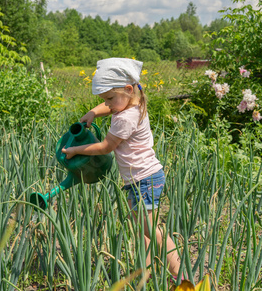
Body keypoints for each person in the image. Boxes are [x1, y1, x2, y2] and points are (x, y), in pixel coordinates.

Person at [61, 58, 182, 282]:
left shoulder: (125, 117)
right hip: (138, 179)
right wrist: (93, 113)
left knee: (151, 229)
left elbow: (105, 147)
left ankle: (183, 277)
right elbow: (113, 105)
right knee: (141, 228)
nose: (106, 104)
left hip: (144, 179)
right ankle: (145, 274)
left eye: (108, 98)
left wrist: (75, 149)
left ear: (127, 89)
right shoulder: (133, 101)